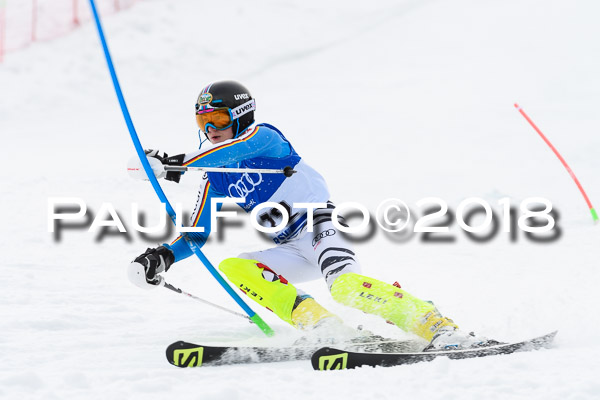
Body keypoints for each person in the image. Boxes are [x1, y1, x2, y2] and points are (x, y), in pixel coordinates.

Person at [127, 80, 487, 350]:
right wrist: (163, 256)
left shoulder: (265, 138)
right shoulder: (214, 175)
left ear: (240, 116)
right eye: (203, 121)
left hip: (321, 228)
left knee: (345, 288)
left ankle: (437, 327)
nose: (210, 130)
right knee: (236, 266)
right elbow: (196, 233)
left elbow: (234, 149)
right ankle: (326, 329)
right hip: (289, 247)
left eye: (219, 119)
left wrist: (174, 165)